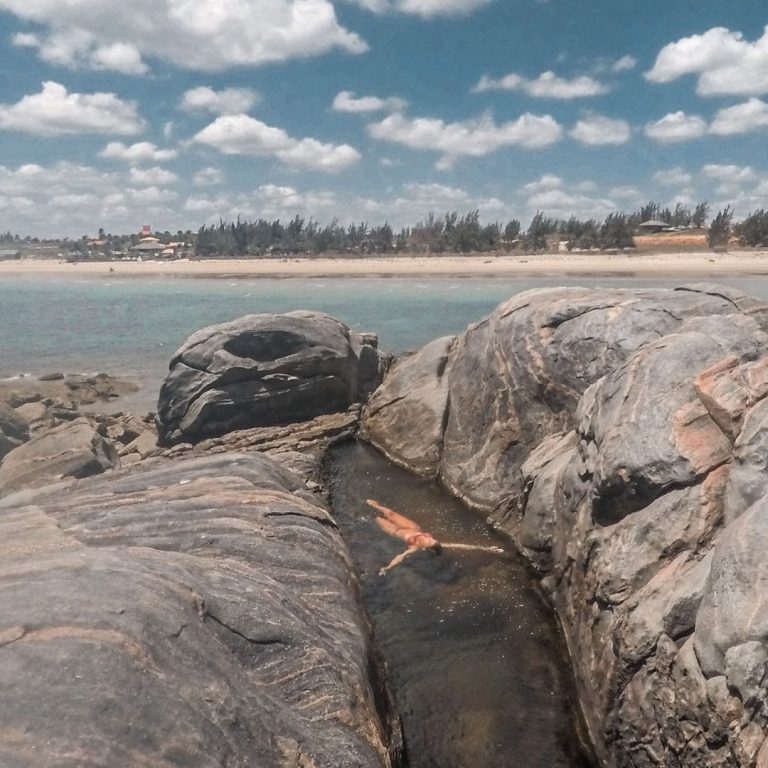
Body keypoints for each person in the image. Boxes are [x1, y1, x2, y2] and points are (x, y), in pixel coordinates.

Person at [366, 498, 504, 575]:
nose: (430, 538)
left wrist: (387, 568)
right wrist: (487, 548)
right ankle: (377, 505)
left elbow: (401, 557)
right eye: (431, 539)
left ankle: (371, 514)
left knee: (378, 519)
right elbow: (462, 545)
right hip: (412, 527)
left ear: (427, 547)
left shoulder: (415, 547)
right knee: (390, 513)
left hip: (395, 531)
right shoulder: (433, 542)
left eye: (429, 541)